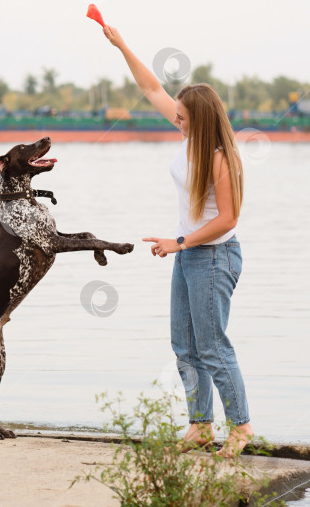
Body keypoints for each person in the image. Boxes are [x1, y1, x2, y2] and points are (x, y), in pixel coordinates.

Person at [103, 24, 254, 457]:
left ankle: (240, 427)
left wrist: (180, 241)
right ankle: (201, 426)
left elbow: (228, 219)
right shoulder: (191, 139)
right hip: (189, 255)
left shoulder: (220, 157)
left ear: (200, 118)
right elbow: (151, 87)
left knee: (212, 345)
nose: (176, 119)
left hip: (213, 255)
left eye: (183, 115)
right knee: (184, 346)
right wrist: (122, 46)